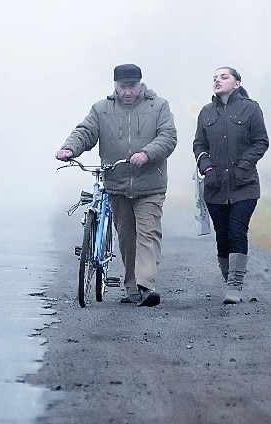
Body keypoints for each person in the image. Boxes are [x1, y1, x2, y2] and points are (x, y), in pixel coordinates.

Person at [55, 63, 177, 307]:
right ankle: (132, 286)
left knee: (148, 232)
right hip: (117, 184)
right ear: (116, 86)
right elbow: (85, 131)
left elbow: (168, 137)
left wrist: (147, 153)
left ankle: (146, 285)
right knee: (126, 237)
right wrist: (70, 147)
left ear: (140, 84)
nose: (128, 91)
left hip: (149, 185)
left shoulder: (159, 106)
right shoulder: (102, 109)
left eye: (132, 86)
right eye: (123, 87)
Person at [193, 66, 269, 304]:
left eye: (224, 77)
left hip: (244, 185)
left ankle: (235, 286)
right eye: (214, 77)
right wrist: (206, 167)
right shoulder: (205, 112)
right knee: (222, 236)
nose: (218, 80)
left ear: (237, 83)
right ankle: (228, 279)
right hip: (215, 187)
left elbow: (261, 141)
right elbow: (198, 145)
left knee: (238, 232)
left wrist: (244, 166)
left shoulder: (251, 108)